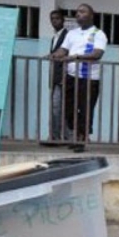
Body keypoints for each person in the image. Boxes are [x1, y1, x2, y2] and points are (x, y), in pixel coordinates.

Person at [51, 3, 108, 153]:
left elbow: (97, 54)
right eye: (77, 12)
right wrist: (55, 55)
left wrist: (75, 57)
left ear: (91, 16)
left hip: (89, 79)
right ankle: (77, 135)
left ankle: (81, 139)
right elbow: (63, 50)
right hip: (71, 77)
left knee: (85, 110)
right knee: (68, 109)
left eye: (82, 12)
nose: (78, 14)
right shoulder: (72, 33)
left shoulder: (98, 34)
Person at [42, 9, 69, 147]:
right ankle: (57, 137)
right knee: (57, 107)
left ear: (63, 20)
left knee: (58, 107)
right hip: (55, 77)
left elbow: (66, 54)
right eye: (52, 19)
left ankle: (57, 137)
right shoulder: (54, 37)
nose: (54, 21)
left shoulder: (67, 35)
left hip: (63, 77)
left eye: (57, 18)